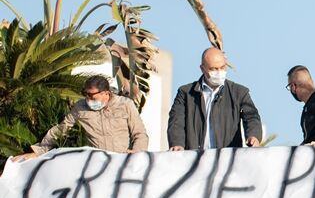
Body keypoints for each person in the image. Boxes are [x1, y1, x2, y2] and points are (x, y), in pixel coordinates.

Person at [12, 76, 148, 161]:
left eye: (92, 96)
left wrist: (137, 153)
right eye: (86, 94)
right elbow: (61, 129)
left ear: (106, 93)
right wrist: (38, 152)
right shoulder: (80, 107)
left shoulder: (125, 105)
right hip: (97, 165)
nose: (88, 99)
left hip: (123, 161)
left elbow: (140, 134)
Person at [167, 47, 263, 151]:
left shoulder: (239, 93)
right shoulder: (186, 93)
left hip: (226, 157)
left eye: (222, 67)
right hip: (195, 157)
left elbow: (251, 116)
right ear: (202, 69)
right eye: (214, 69)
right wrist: (177, 143)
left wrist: (254, 136)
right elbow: (176, 122)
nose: (219, 72)